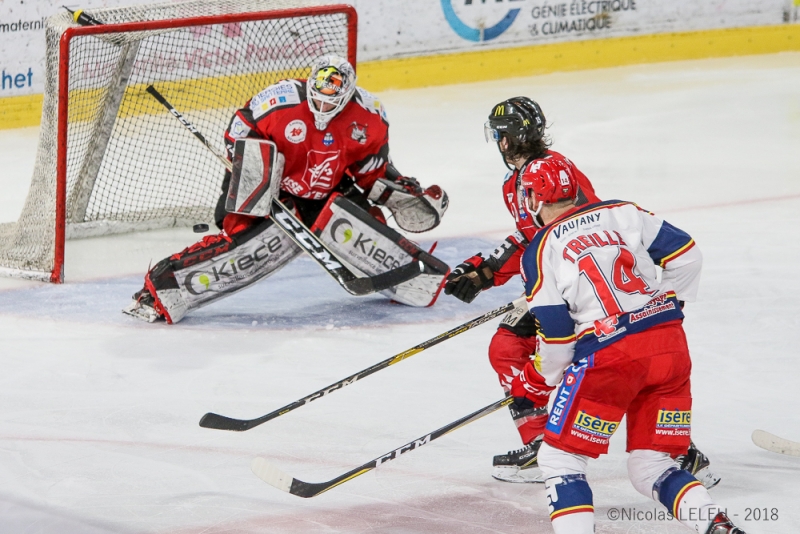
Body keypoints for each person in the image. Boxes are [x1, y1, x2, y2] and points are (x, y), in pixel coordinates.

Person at [443, 97, 717, 488]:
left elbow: (574, 234)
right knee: (614, 360)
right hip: (575, 285)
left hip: (585, 294)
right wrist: (486, 270)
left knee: (522, 349)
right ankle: (672, 451)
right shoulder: (525, 179)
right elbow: (532, 236)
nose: (499, 143)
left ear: (507, 139)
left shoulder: (553, 174)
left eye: (500, 135)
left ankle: (552, 446)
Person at [510, 158, 744, 533]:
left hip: (610, 359)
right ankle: (718, 527)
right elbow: (688, 257)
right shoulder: (622, 212)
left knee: (560, 460)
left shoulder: (540, 250)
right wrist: (669, 307)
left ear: (536, 199)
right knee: (652, 465)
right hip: (668, 347)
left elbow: (556, 341)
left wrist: (535, 380)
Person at [124, 55, 449, 324]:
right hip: (272, 187)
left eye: (331, 102)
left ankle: (414, 279)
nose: (322, 109)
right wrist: (259, 174)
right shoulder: (279, 101)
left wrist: (395, 194)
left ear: (348, 95)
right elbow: (239, 129)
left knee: (363, 226)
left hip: (325, 191)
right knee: (242, 233)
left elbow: (370, 168)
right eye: (317, 100)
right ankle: (163, 291)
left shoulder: (369, 117)